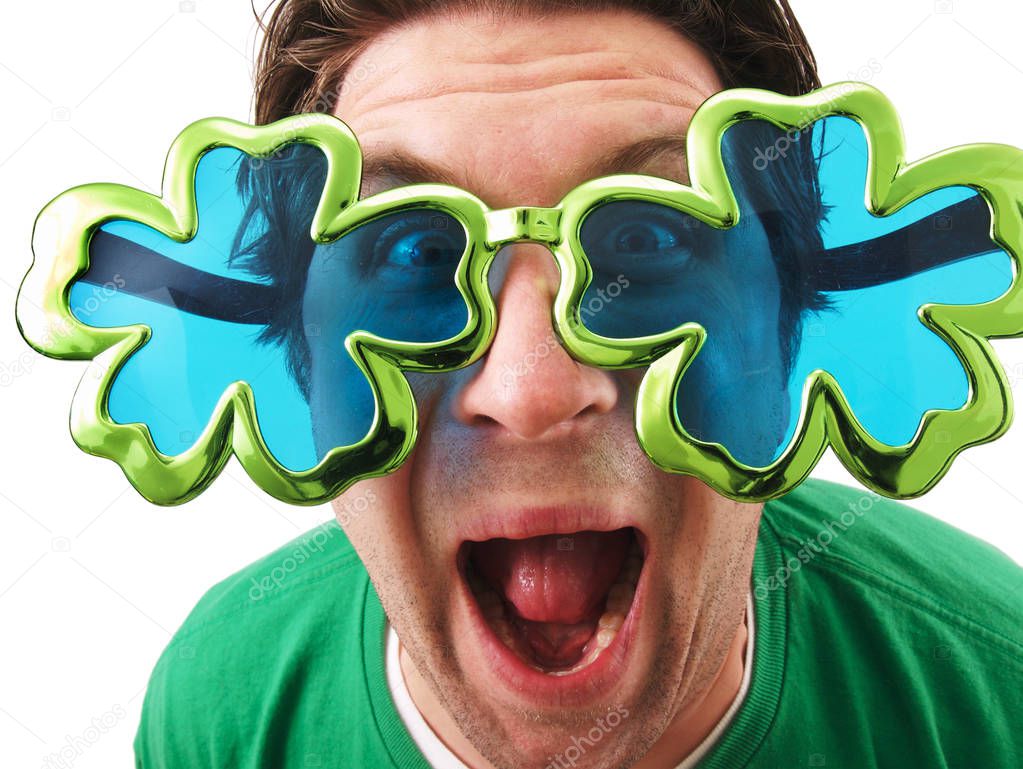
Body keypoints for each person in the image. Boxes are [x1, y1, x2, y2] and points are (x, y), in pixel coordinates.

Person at [132, 2, 1023, 767]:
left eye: (648, 238)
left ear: (799, 315)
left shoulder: (995, 685)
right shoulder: (221, 707)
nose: (530, 391)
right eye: (415, 250)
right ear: (289, 349)